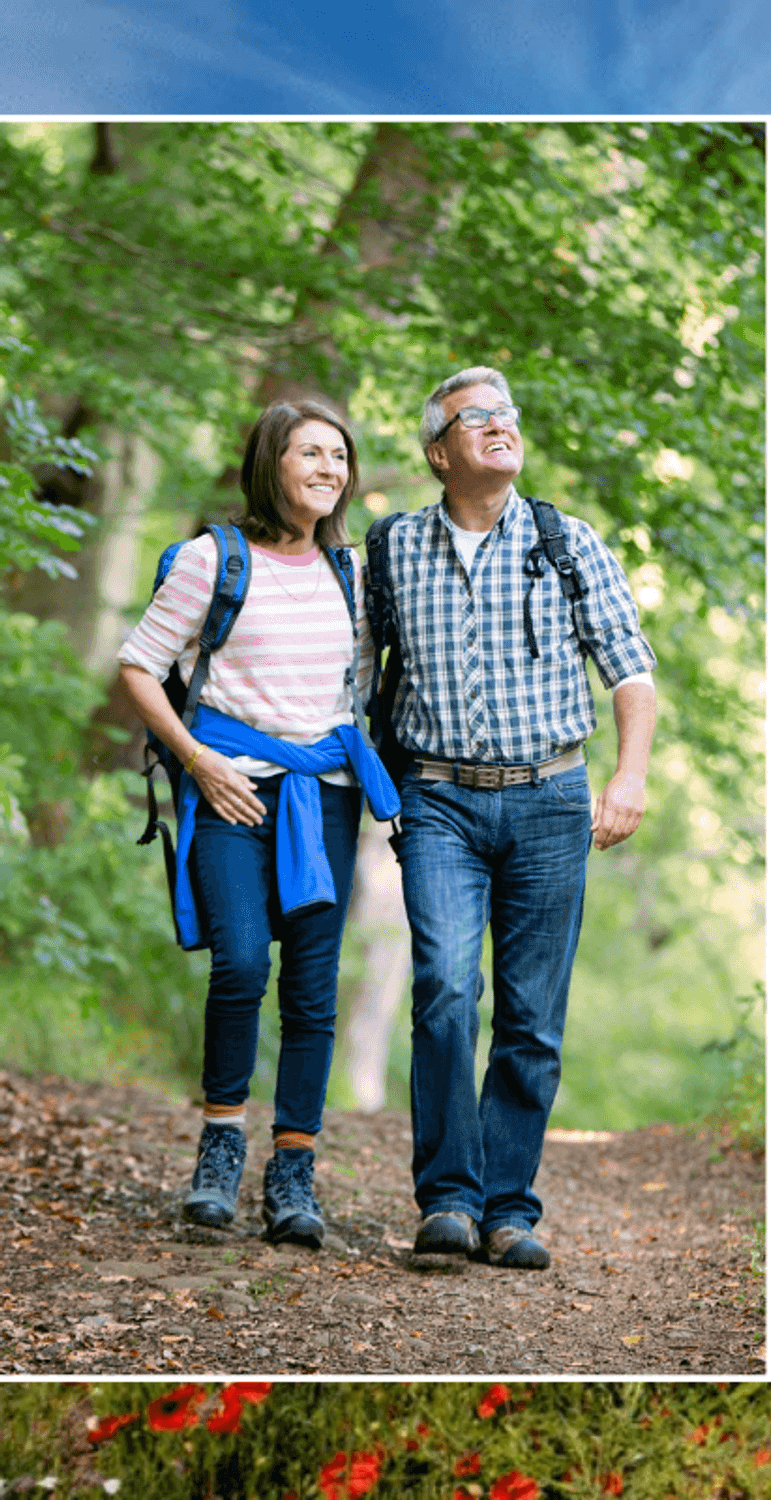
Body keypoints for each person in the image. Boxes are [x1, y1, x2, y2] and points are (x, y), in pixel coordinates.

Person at [372, 365, 657, 1270]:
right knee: (447, 989)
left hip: (551, 799)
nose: (499, 427)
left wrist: (631, 776)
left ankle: (509, 1209)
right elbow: (351, 680)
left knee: (531, 1016)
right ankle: (448, 1200)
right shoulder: (390, 549)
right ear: (438, 451)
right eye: (476, 417)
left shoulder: (567, 541)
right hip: (438, 800)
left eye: (507, 415)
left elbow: (632, 671)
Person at [118, 399, 399, 1248]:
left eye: (340, 457)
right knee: (241, 960)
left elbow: (358, 689)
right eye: (310, 453)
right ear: (271, 462)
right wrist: (197, 761)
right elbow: (139, 664)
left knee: (312, 992)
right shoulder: (214, 560)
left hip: (325, 796)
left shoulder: (351, 571)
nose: (329, 469)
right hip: (229, 785)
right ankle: (219, 1147)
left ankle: (293, 1173)